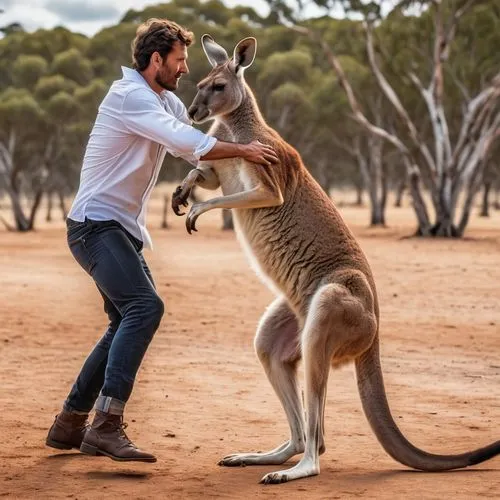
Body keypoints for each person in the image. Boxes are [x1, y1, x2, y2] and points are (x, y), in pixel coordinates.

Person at [45, 18, 278, 463]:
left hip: (119, 229)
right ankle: (106, 425)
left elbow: (190, 147)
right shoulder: (130, 96)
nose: (184, 69)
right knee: (144, 307)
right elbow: (184, 139)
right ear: (156, 60)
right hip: (95, 225)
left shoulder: (163, 100)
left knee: (123, 318)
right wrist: (245, 151)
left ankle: (70, 423)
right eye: (179, 60)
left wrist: (213, 165)